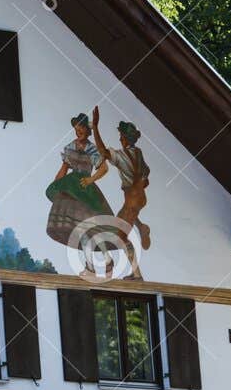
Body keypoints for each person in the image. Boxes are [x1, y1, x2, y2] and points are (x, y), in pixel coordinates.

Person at [45, 111, 118, 274]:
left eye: (81, 128)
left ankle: (107, 259)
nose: (78, 131)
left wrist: (90, 180)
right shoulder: (70, 147)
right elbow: (63, 169)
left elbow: (104, 168)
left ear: (87, 129)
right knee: (80, 229)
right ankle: (90, 265)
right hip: (71, 189)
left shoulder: (92, 148)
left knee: (92, 227)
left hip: (85, 189)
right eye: (76, 128)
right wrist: (56, 186)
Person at [93, 108, 151, 255]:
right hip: (137, 199)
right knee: (117, 226)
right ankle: (141, 227)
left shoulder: (121, 156)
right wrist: (139, 185)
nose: (120, 139)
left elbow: (102, 151)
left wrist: (95, 127)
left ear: (125, 138)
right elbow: (146, 175)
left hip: (132, 202)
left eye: (121, 136)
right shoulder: (138, 152)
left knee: (120, 236)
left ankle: (135, 273)